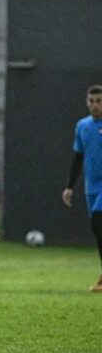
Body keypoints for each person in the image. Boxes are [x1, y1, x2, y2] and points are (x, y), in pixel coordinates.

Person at [62, 84, 102, 292]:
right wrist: (69, 186)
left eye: (99, 101)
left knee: (98, 219)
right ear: (87, 103)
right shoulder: (83, 126)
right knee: (98, 231)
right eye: (92, 101)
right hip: (91, 186)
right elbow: (78, 158)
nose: (95, 105)